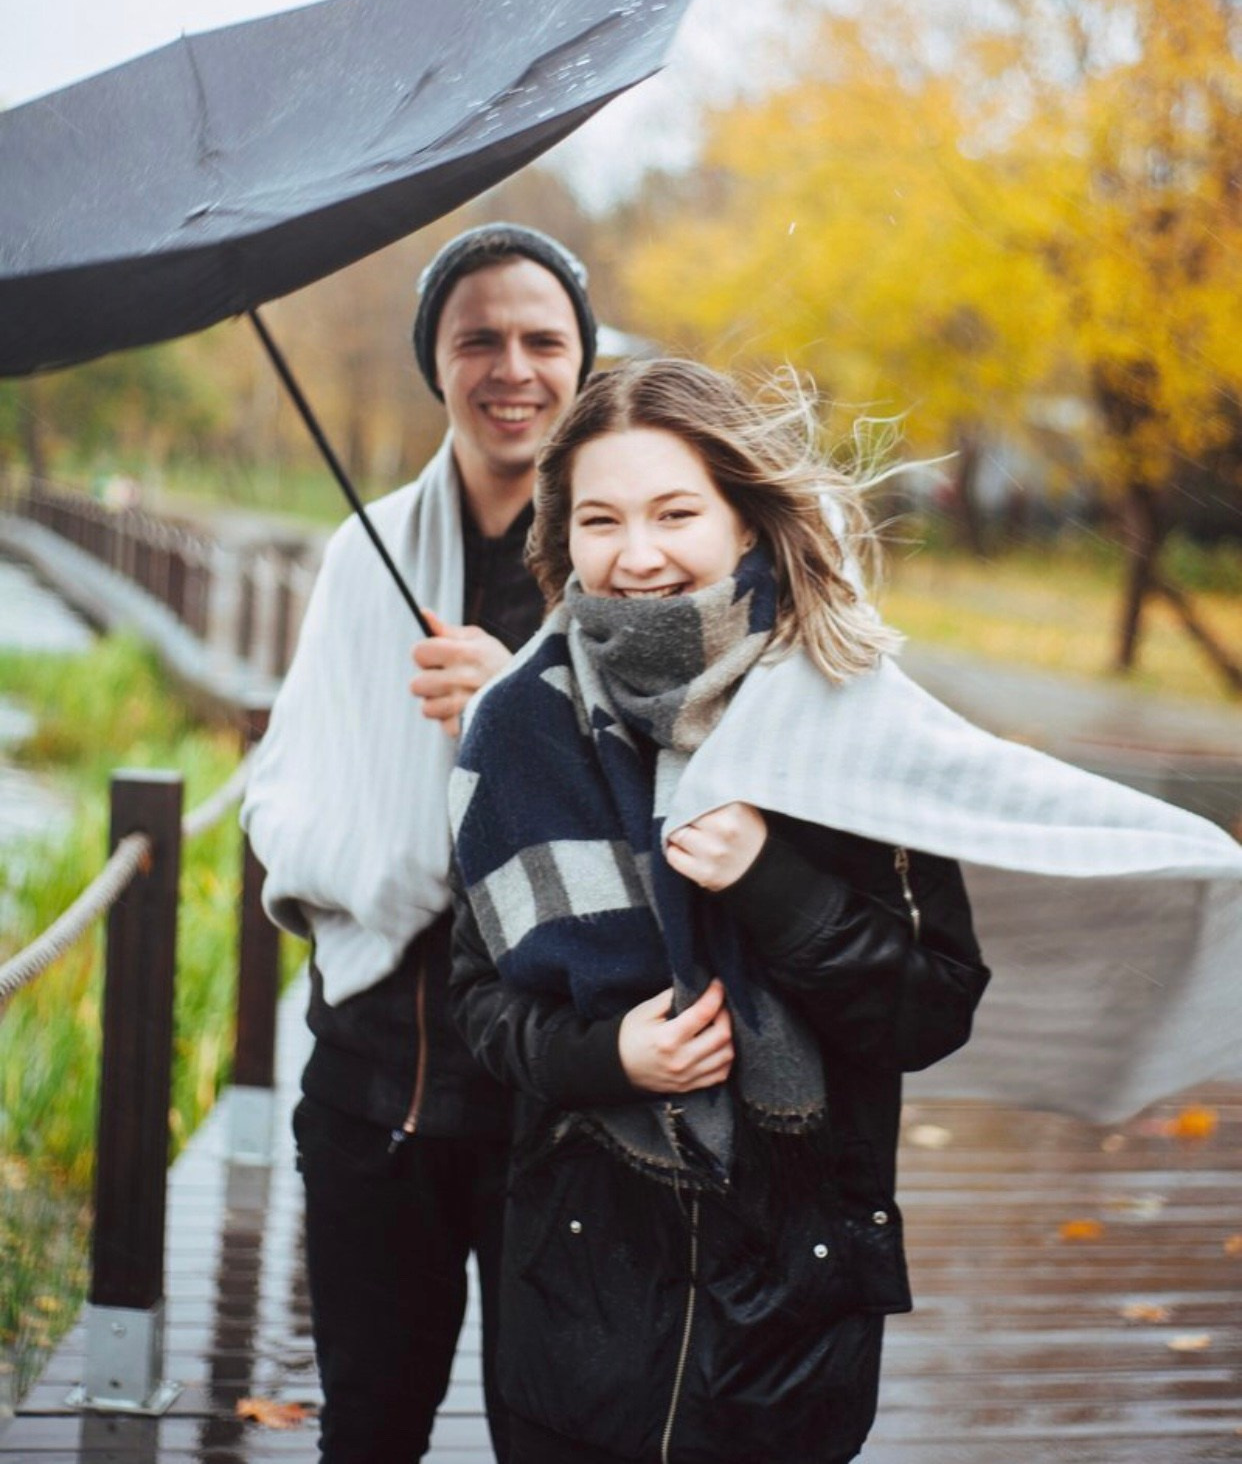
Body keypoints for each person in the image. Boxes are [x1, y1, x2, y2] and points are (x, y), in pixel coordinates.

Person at [449, 358, 992, 1464]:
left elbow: (931, 1007)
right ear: (562, 534)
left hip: (792, 1300)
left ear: (746, 519)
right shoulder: (516, 727)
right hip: (579, 1297)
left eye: (674, 511)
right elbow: (476, 1000)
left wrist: (771, 883)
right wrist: (609, 1054)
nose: (636, 553)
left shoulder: (851, 714)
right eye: (600, 517)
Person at [240, 221, 598, 1464]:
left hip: (563, 1107)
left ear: (580, 360)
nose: (514, 366)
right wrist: (368, 855)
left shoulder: (626, 565)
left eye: (542, 339)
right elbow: (290, 782)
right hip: (373, 1092)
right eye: (478, 339)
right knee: (371, 1432)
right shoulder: (364, 554)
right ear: (436, 362)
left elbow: (680, 808)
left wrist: (520, 706)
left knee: (551, 1435)